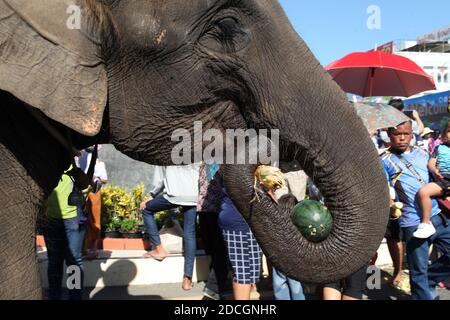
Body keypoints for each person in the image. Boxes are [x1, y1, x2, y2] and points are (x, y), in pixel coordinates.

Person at [382, 121, 450, 300]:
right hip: (412, 222)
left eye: (406, 133)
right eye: (397, 134)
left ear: (412, 133)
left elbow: (437, 174)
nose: (402, 138)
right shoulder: (384, 160)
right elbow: (382, 189)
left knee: (423, 275)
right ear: (389, 135)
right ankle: (423, 291)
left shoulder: (423, 153)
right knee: (418, 270)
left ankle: (430, 279)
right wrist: (390, 205)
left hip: (437, 215)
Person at [140, 164, 199, 291]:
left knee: (146, 210)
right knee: (190, 234)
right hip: (193, 196)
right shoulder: (195, 148)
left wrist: (152, 195)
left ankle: (159, 249)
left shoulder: (164, 148)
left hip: (174, 195)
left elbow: (159, 180)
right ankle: (187, 280)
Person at [217, 166, 263, 300]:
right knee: (243, 272)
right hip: (236, 219)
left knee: (252, 272)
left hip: (251, 220)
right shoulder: (231, 159)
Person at [44, 166, 87, 300]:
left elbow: (87, 184)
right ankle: (57, 296)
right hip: (52, 217)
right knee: (59, 262)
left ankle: (72, 297)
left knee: (72, 261)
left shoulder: (74, 159)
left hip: (71, 217)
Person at [197, 162, 232, 300]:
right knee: (219, 251)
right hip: (215, 210)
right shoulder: (222, 163)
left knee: (215, 250)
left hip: (204, 209)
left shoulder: (204, 164)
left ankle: (217, 284)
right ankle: (214, 287)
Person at [416, 125, 450, 238]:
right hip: (443, 180)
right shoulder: (439, 148)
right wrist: (434, 170)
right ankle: (426, 223)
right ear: (444, 134)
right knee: (424, 192)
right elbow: (431, 162)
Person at [272, 194, 305, 300]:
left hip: (278, 259)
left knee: (279, 286)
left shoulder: (276, 224)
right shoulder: (298, 224)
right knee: (296, 288)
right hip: (294, 261)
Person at [78, 146, 108, 259]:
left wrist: (96, 177)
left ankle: (93, 247)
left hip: (94, 191)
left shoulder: (99, 164)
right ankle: (83, 247)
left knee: (94, 219)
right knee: (81, 219)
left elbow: (105, 179)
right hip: (82, 190)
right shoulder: (80, 160)